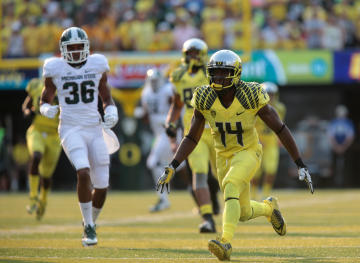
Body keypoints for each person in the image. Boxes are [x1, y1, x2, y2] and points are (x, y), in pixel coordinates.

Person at [157, 50, 313, 261]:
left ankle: (224, 241)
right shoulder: (204, 96)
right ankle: (269, 209)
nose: (218, 77)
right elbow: (192, 137)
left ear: (236, 74)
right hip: (223, 156)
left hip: (248, 151)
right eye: (215, 72)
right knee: (242, 211)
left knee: (231, 185)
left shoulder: (250, 95)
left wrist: (300, 163)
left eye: (224, 72)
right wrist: (173, 165)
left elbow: (280, 128)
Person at [39, 27, 118, 247]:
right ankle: (90, 226)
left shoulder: (97, 64)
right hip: (71, 128)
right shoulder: (54, 67)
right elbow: (45, 97)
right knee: (83, 172)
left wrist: (111, 111)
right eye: (71, 48)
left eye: (79, 47)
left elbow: (106, 96)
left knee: (102, 186)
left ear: (87, 48)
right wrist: (46, 109)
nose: (75, 52)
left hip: (94, 129)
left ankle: (89, 223)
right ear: (63, 50)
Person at [165, 38, 218, 233]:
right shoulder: (178, 76)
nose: (193, 57)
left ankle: (229, 206)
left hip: (217, 131)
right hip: (194, 134)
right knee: (200, 175)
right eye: (190, 53)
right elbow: (177, 104)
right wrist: (170, 122)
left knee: (223, 176)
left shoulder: (211, 74)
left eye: (196, 53)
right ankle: (208, 219)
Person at [22, 78, 61, 220]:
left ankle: (43, 200)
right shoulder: (37, 86)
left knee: (46, 176)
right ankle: (33, 196)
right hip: (37, 131)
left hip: (54, 136)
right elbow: (26, 104)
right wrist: (27, 112)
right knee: (36, 156)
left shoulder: (65, 87)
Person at [137, 68, 173, 212]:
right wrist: (142, 114)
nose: (154, 83)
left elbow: (176, 108)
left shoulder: (168, 90)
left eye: (156, 80)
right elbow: (147, 117)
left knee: (153, 163)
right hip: (159, 134)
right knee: (163, 166)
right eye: (152, 81)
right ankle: (164, 198)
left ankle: (163, 198)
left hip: (169, 132)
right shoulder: (145, 93)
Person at [252, 82, 286, 200]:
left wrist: (280, 138)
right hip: (257, 142)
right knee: (255, 172)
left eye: (272, 94)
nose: (270, 97)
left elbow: (280, 125)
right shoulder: (254, 107)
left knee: (271, 169)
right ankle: (253, 194)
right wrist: (257, 140)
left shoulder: (280, 108)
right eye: (268, 94)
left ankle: (265, 194)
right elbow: (250, 126)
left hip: (271, 142)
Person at [327, 104, 355, 186]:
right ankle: (333, 184)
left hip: (346, 148)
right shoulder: (333, 122)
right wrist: (336, 147)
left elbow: (350, 137)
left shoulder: (349, 123)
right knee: (333, 165)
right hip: (335, 148)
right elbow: (330, 136)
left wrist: (343, 147)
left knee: (347, 166)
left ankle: (346, 183)